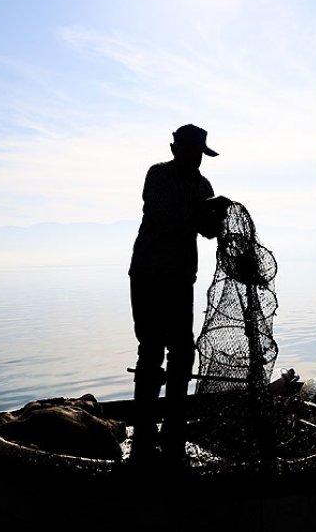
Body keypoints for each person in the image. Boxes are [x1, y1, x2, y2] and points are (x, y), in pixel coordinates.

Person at [128, 124, 228, 459]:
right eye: (191, 151)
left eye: (200, 153)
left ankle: (173, 427)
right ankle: (144, 430)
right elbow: (165, 215)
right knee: (152, 349)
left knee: (183, 353)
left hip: (181, 280)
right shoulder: (157, 176)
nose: (197, 159)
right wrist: (204, 210)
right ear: (174, 149)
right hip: (148, 277)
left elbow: (208, 231)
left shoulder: (203, 185)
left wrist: (219, 214)